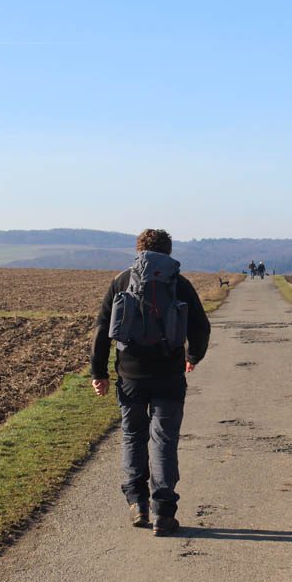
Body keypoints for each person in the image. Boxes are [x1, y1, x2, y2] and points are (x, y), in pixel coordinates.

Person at [91, 229, 211, 536]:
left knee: (133, 435)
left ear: (139, 250)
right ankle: (163, 513)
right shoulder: (179, 283)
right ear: (168, 253)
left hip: (130, 376)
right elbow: (201, 325)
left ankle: (137, 504)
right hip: (169, 376)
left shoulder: (122, 281)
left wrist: (99, 374)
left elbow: (101, 331)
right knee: (164, 440)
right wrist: (193, 356)